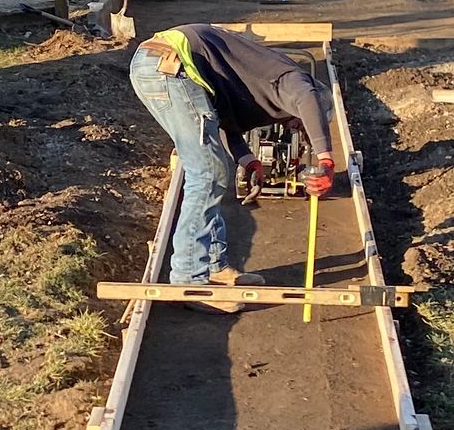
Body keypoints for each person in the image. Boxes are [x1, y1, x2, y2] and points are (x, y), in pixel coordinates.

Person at [128, 23, 335, 293]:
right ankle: (188, 280)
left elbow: (225, 124)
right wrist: (326, 159)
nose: (296, 129)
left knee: (214, 170)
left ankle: (214, 267)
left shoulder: (263, 98)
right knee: (206, 173)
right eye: (303, 125)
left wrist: (248, 159)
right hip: (169, 64)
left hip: (167, 67)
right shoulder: (292, 79)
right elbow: (307, 97)